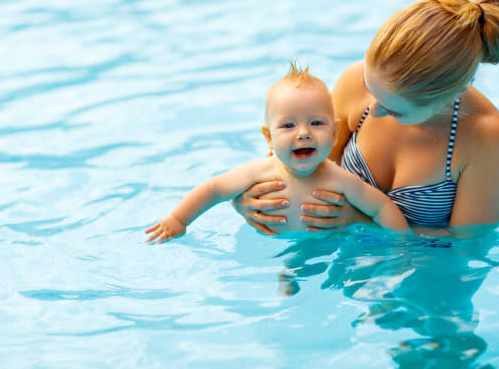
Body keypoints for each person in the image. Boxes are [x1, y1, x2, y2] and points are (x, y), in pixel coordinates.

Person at [233, 0, 499, 237]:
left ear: (451, 95)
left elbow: (468, 246)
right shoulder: (354, 81)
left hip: (427, 277)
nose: (372, 109)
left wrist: (362, 222)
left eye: (394, 110)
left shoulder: (486, 136)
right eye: (370, 87)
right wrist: (248, 199)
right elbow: (298, 166)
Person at [144, 64, 410, 243]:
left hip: (327, 243)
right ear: (269, 137)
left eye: (316, 123)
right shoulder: (259, 172)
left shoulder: (340, 179)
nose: (303, 133)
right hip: (272, 241)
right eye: (288, 125)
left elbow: (381, 206)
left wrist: (402, 242)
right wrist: (178, 219)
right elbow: (213, 189)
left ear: (334, 135)